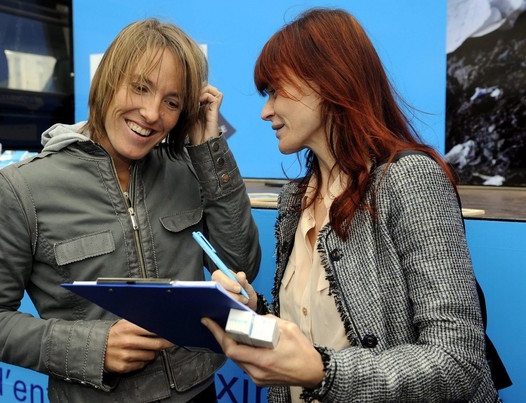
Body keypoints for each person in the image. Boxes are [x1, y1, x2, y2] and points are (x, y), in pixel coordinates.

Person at [202, 8, 501, 402]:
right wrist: (255, 309)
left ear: (328, 81)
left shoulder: (408, 179)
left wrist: (325, 371)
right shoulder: (297, 199)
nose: (265, 111)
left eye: (275, 91)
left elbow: (458, 362)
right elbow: (308, 333)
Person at [0, 18, 261, 402]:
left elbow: (241, 260)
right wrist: (91, 347)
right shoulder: (23, 188)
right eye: (140, 87)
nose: (151, 114)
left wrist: (208, 148)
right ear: (107, 80)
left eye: (172, 102)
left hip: (199, 393)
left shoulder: (187, 169)